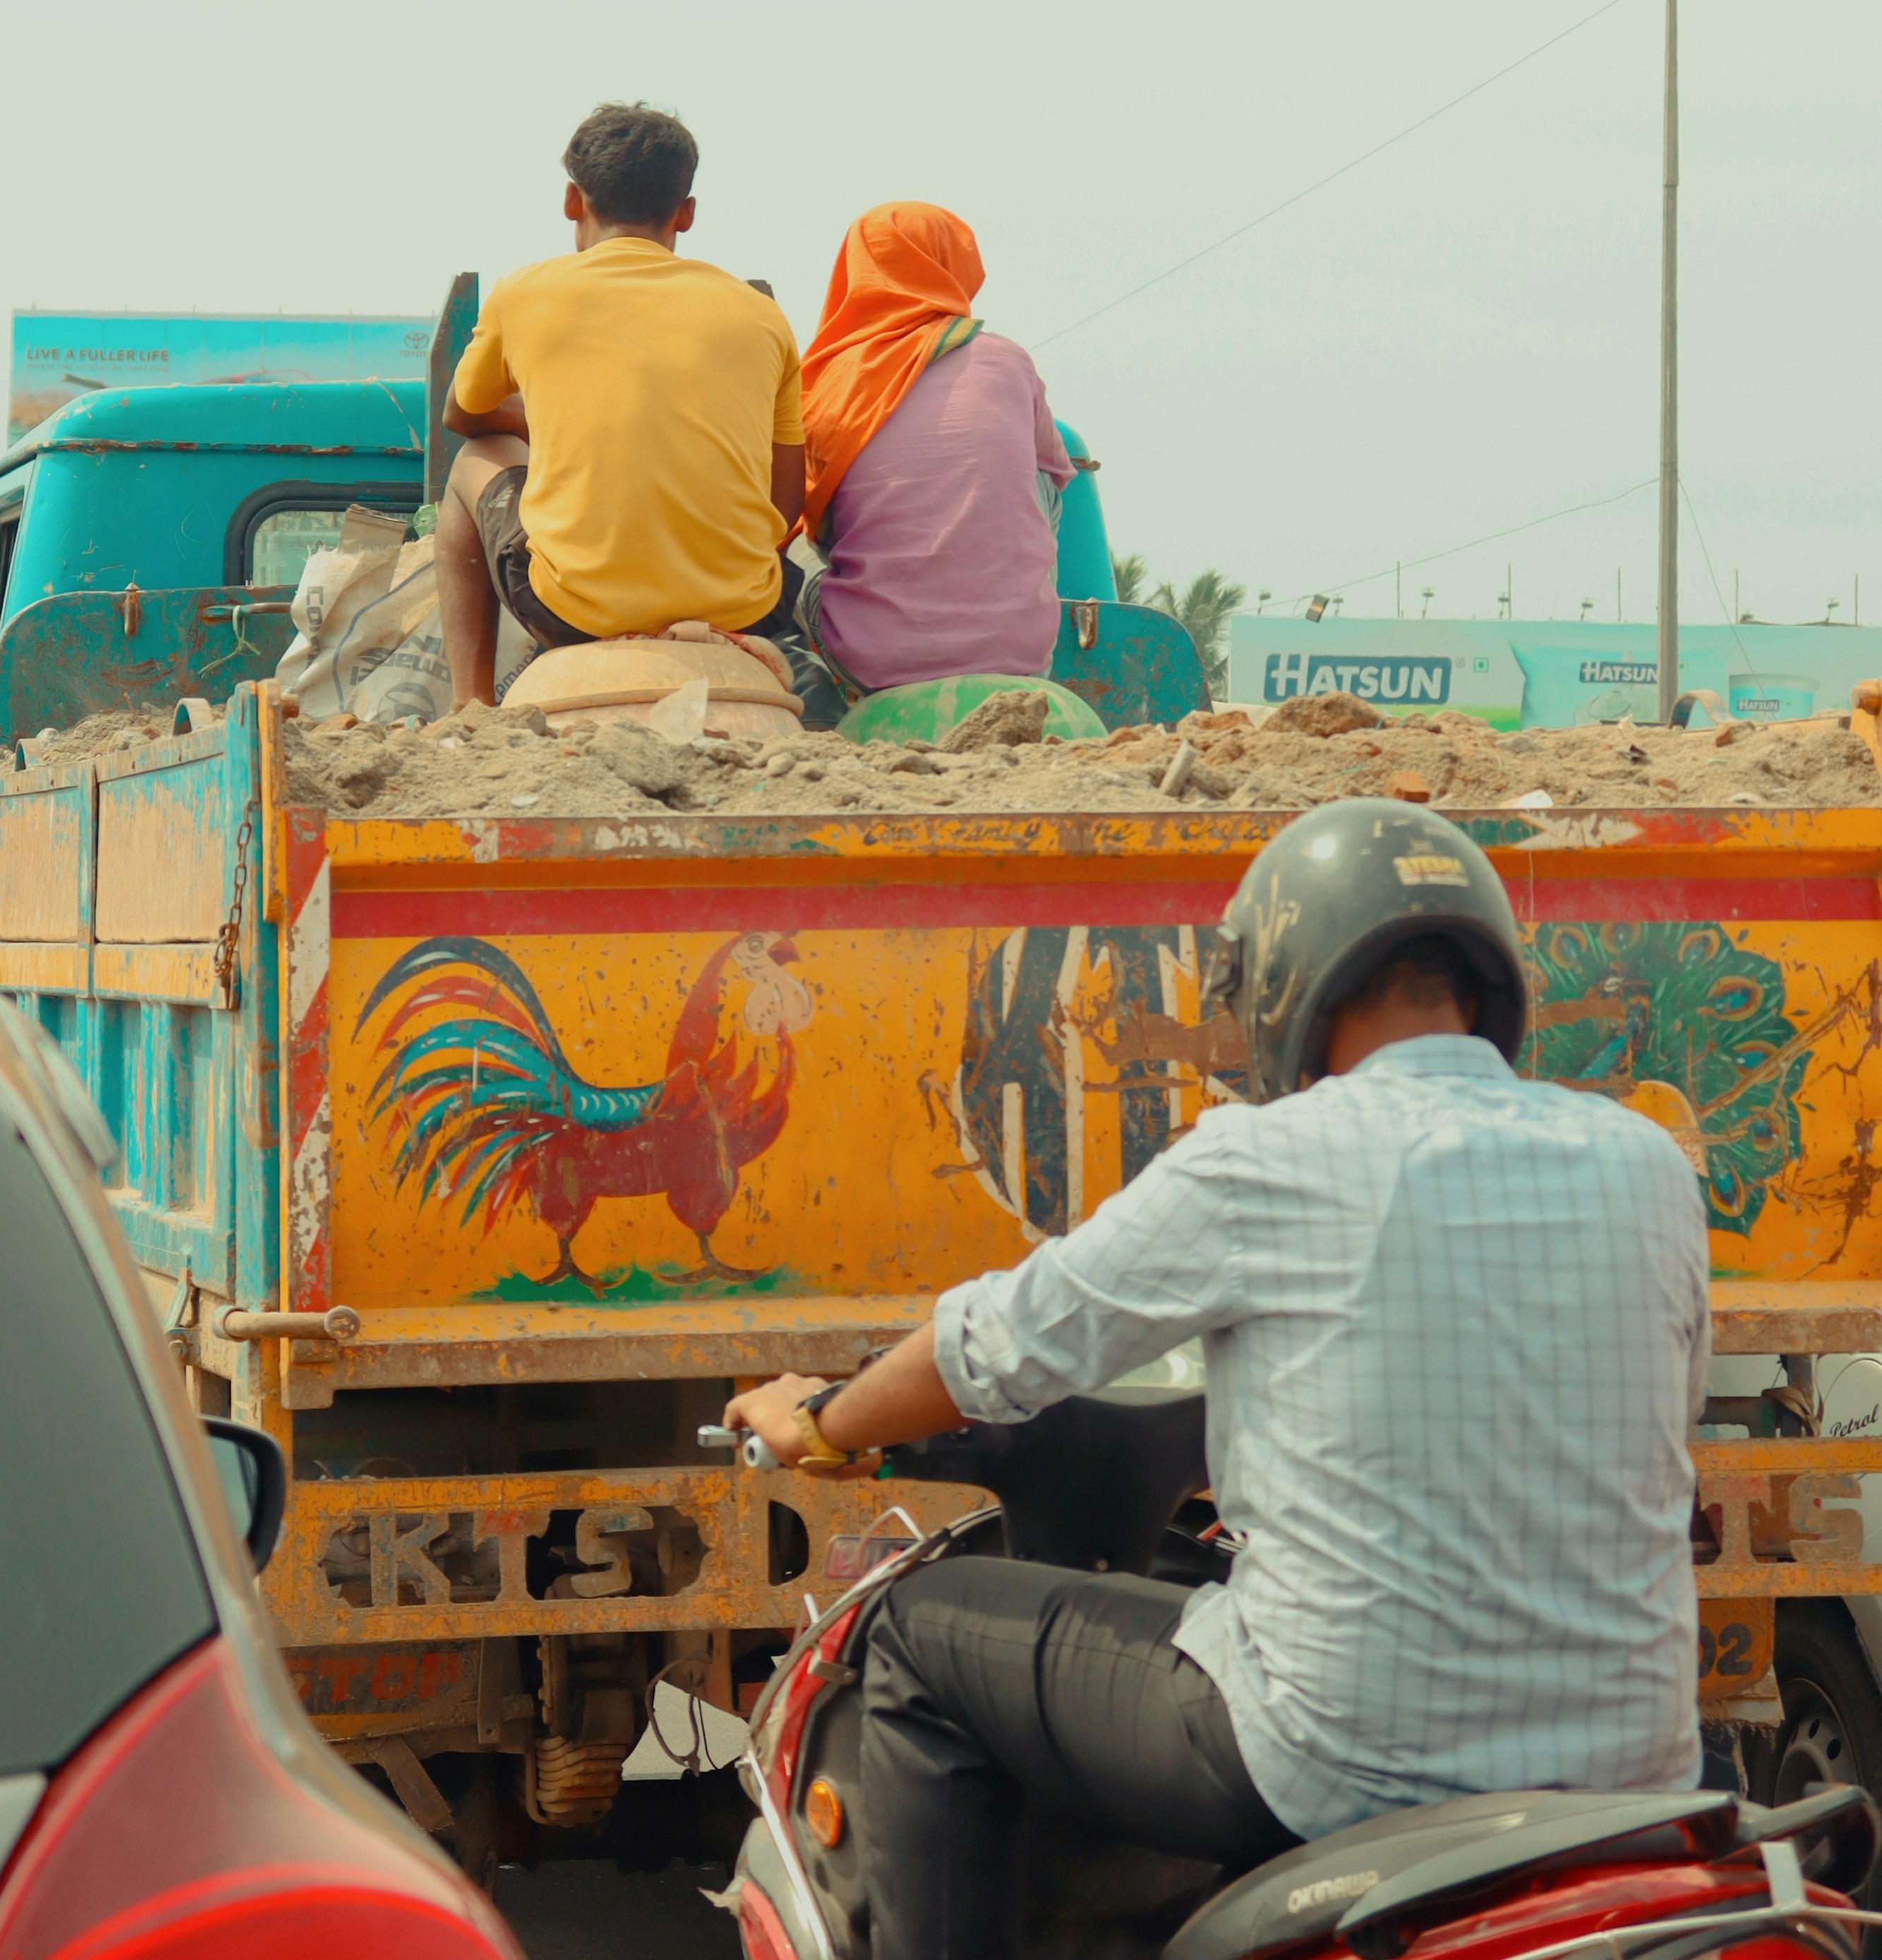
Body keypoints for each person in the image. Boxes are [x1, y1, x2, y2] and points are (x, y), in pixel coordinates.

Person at [726, 801, 1712, 1960]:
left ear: (1296, 981)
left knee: (911, 1641)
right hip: (1636, 1769)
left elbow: (998, 1346)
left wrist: (821, 1419)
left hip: (1339, 1761)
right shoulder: (1647, 1164)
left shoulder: (1269, 1158)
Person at [433, 103, 808, 708]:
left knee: (469, 463)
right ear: (685, 213)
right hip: (746, 607)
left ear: (572, 201)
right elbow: (786, 504)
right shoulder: (761, 315)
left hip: (573, 611)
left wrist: (537, 420)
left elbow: (461, 416)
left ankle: (469, 705)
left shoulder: (525, 293)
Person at [795, 203, 1075, 701]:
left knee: (796, 539)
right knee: (1040, 481)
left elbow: (810, 520)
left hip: (872, 662)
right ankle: (1009, 616)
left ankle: (828, 696)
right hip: (1023, 658)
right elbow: (1055, 481)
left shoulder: (827, 380)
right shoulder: (1008, 360)